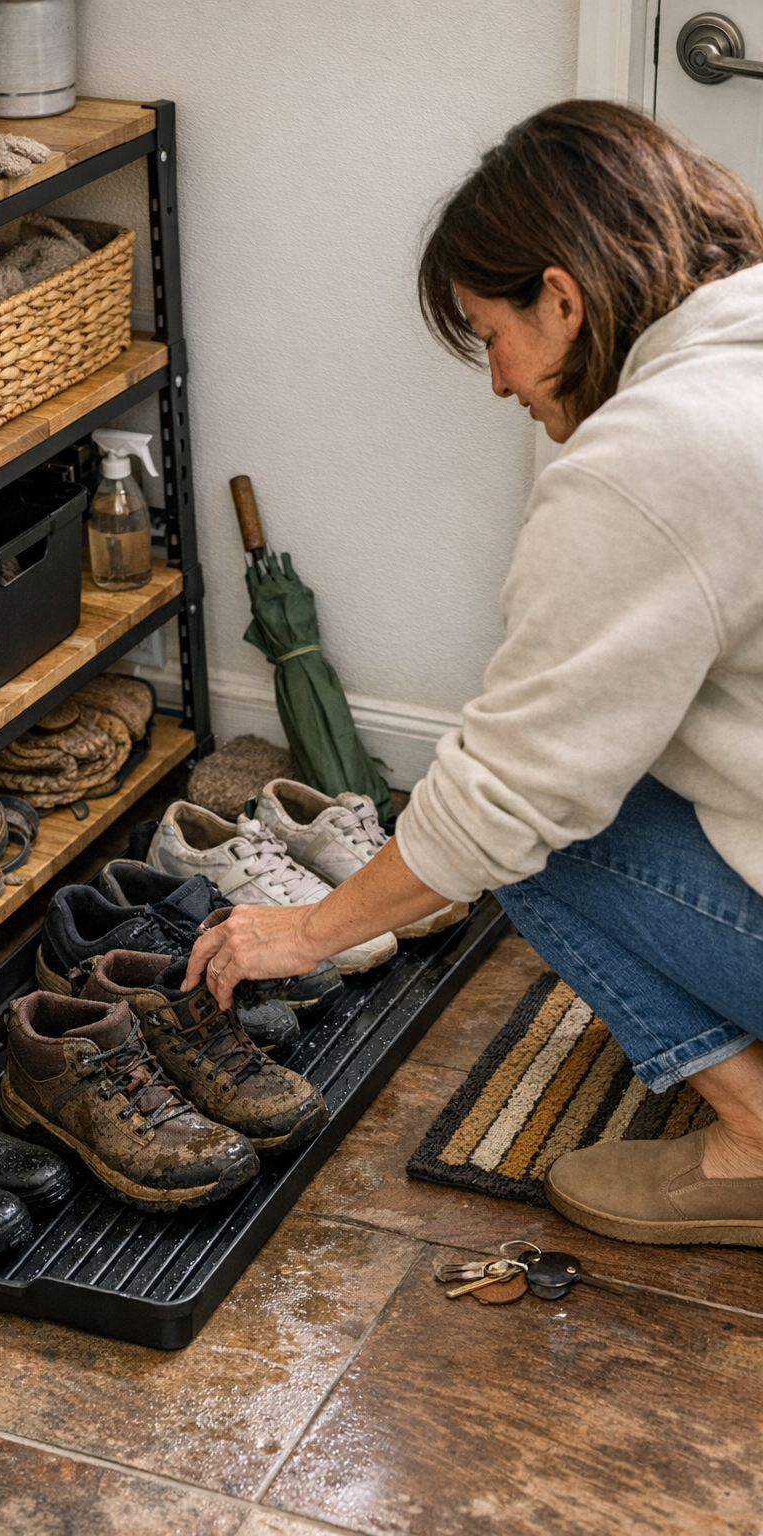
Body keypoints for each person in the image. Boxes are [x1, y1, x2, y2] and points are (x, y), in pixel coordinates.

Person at [186, 100, 763, 1247]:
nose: (498, 382)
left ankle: (757, 1142)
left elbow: (506, 801)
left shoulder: (653, 455)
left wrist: (303, 935)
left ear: (562, 296)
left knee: (512, 832)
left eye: (486, 333)